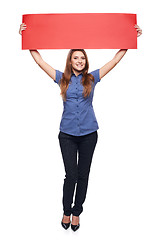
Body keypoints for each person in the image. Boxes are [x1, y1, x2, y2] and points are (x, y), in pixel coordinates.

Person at [19, 23, 142, 231]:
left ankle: (77, 212)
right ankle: (66, 210)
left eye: (82, 58)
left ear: (86, 61)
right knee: (71, 175)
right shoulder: (62, 78)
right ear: (70, 60)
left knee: (83, 174)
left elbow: (114, 61)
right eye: (75, 57)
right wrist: (26, 36)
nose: (79, 60)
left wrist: (130, 38)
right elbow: (40, 62)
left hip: (88, 134)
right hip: (67, 134)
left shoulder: (92, 78)